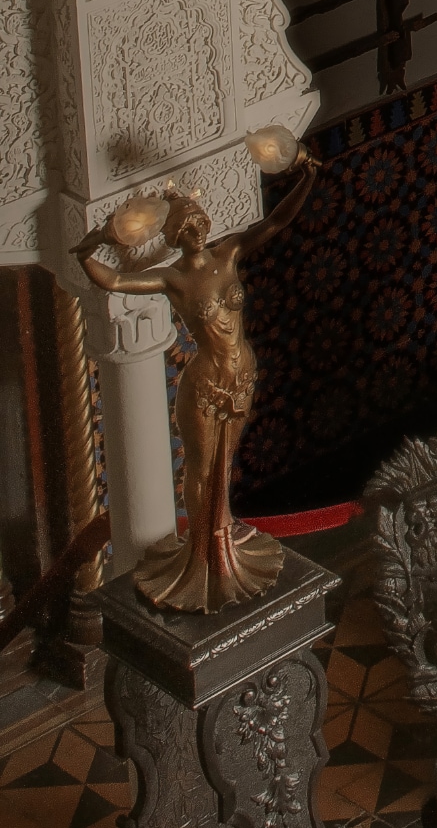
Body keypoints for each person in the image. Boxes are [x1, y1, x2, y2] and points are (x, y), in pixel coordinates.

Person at [76, 153, 322, 613]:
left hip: (242, 372)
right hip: (206, 381)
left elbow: (276, 222)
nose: (196, 229)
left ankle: (223, 542)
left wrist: (305, 180)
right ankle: (201, 554)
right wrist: (89, 248)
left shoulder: (229, 253)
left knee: (225, 462)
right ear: (174, 236)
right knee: (202, 466)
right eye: (186, 227)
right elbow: (112, 280)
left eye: (198, 220)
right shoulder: (173, 277)